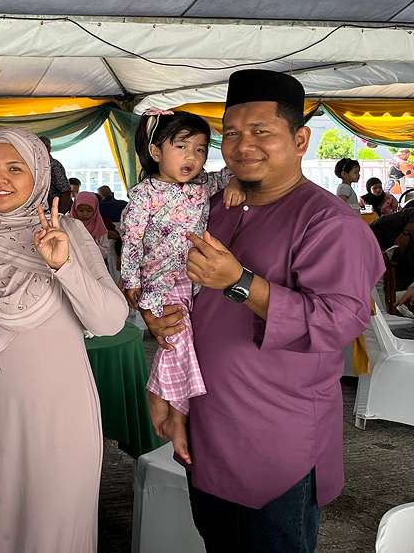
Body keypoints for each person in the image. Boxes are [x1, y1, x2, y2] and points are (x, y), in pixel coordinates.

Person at [140, 70, 382, 553]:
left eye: (261, 131)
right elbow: (171, 285)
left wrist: (240, 282)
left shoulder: (329, 222)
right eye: (231, 133)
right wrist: (168, 377)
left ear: (300, 140)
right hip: (207, 427)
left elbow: (339, 320)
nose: (242, 145)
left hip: (277, 441)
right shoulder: (212, 206)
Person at [0, 129, 128, 553]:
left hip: (65, 412)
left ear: (38, 175)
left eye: (15, 168)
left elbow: (111, 321)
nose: (0, 179)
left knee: (60, 528)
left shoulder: (68, 231)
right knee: (3, 528)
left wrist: (64, 265)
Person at [118, 109, 243, 459]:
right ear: (156, 152)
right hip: (160, 282)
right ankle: (175, 412)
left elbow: (234, 170)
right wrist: (131, 283)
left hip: (195, 280)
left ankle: (164, 397)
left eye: (201, 149)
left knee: (181, 341)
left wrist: (234, 183)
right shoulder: (145, 194)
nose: (193, 156)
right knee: (178, 336)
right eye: (182, 146)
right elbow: (131, 241)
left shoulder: (203, 184)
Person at [69, 191, 117, 267]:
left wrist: (90, 247)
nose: (85, 213)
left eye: (89, 211)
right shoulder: (68, 224)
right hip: (73, 265)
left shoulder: (99, 227)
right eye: (81, 210)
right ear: (74, 208)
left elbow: (105, 250)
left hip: (95, 266)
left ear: (95, 210)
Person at [38, 135, 74, 213]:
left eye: (45, 146)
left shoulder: (54, 165)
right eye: (39, 147)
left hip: (54, 210)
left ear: (49, 148)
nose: (41, 149)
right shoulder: (35, 165)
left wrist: (59, 214)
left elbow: (66, 192)